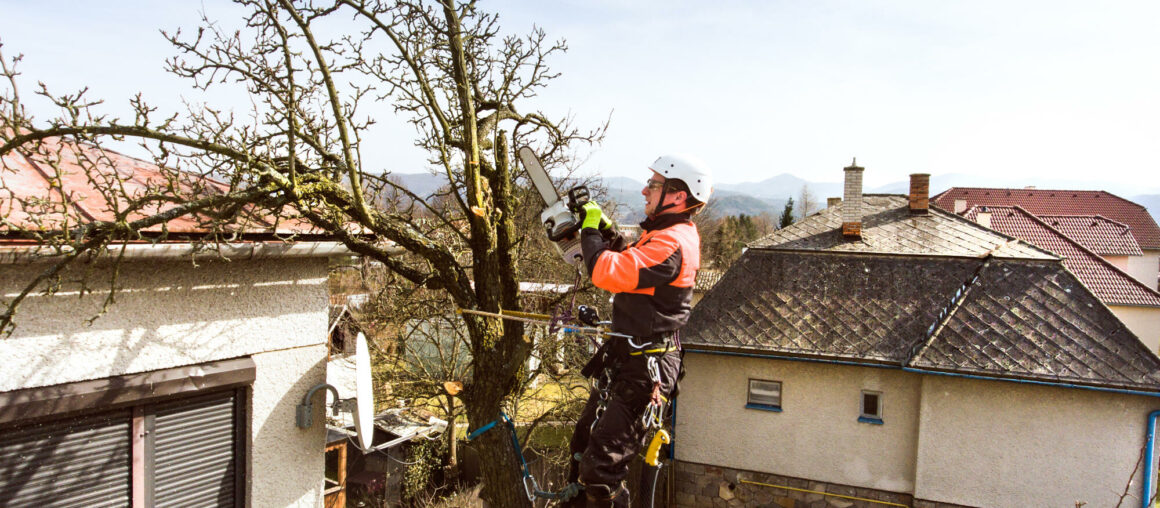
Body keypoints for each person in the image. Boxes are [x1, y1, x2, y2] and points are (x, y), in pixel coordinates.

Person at [563, 154, 712, 507]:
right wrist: (608, 233)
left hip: (647, 369)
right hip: (630, 359)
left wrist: (589, 230)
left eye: (655, 185)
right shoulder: (664, 236)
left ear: (678, 195)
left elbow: (607, 274)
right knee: (582, 447)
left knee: (602, 471)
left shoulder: (672, 242)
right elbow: (633, 268)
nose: (645, 190)